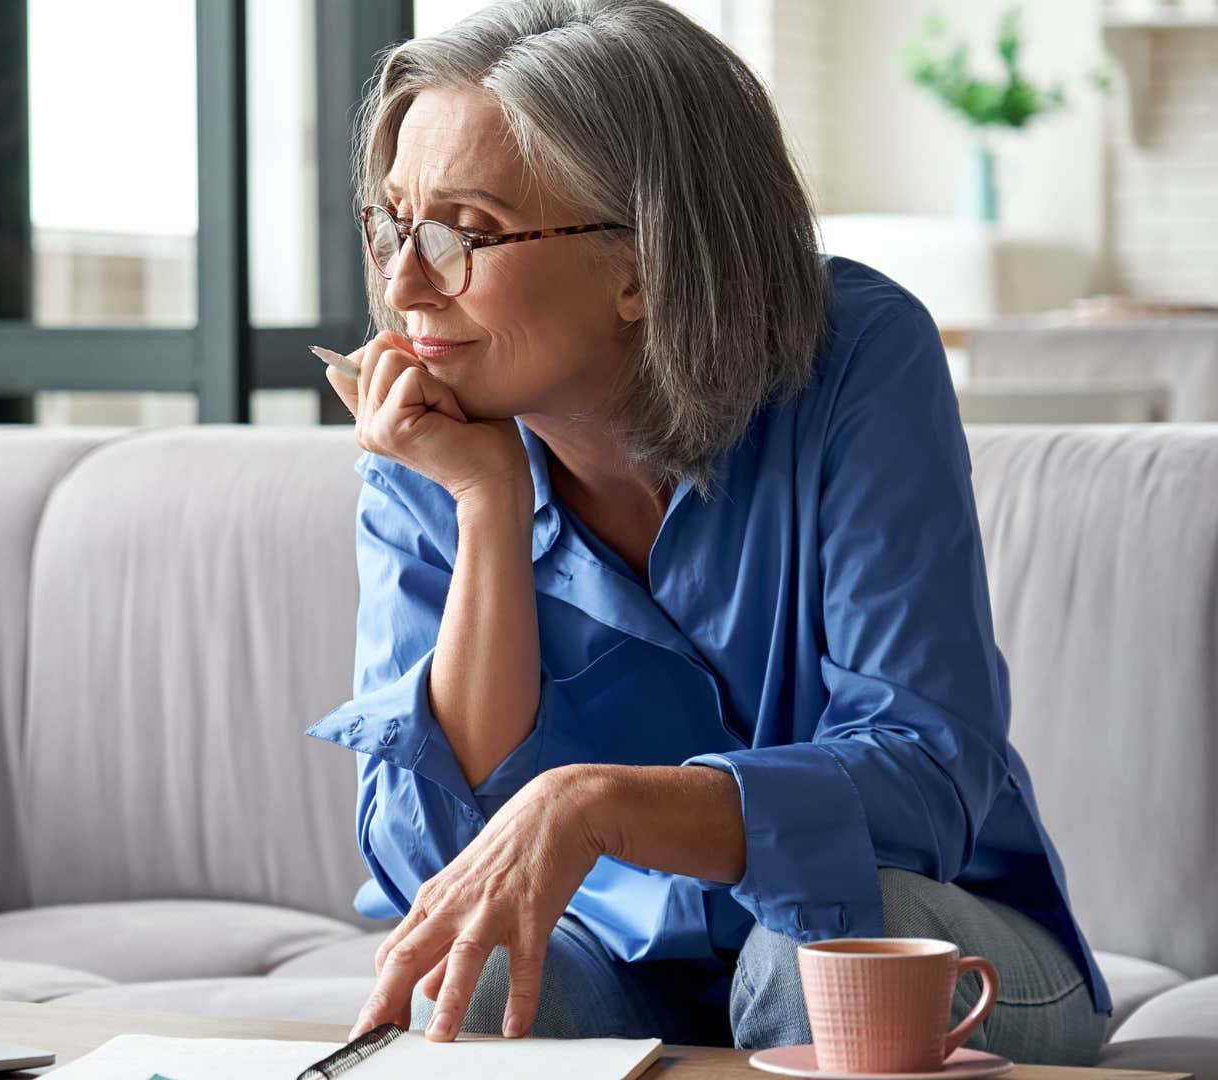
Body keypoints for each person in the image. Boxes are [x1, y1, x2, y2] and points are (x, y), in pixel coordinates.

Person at [306, 0, 1108, 1063]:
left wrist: (598, 805)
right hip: (621, 960)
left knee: (811, 955)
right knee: (481, 977)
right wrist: (487, 508)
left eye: (467, 232)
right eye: (394, 224)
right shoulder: (430, 439)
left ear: (643, 264)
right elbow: (435, 869)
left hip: (929, 933)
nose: (404, 284)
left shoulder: (858, 358)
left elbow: (925, 780)